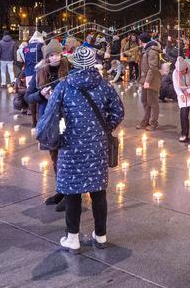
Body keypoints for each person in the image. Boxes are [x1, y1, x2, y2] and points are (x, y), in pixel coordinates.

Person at [37, 46, 125, 253]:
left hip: (70, 145)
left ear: (74, 64)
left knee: (72, 193)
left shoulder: (64, 86)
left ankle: (73, 237)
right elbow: (118, 111)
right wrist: (105, 127)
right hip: (97, 146)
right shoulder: (104, 86)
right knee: (98, 192)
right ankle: (101, 236)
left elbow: (50, 116)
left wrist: (55, 136)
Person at [25, 45, 69, 210]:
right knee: (55, 157)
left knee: (66, 156)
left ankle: (69, 194)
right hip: (49, 120)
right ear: (46, 57)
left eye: (57, 54)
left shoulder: (69, 70)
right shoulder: (40, 73)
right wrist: (41, 95)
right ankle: (62, 190)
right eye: (51, 55)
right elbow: (28, 97)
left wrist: (59, 95)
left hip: (66, 119)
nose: (54, 57)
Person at [137, 32, 163, 130]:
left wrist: (148, 81)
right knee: (144, 101)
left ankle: (153, 123)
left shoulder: (152, 51)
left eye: (139, 39)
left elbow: (153, 68)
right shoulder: (145, 49)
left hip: (152, 79)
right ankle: (145, 120)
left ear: (141, 40)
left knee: (152, 101)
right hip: (144, 79)